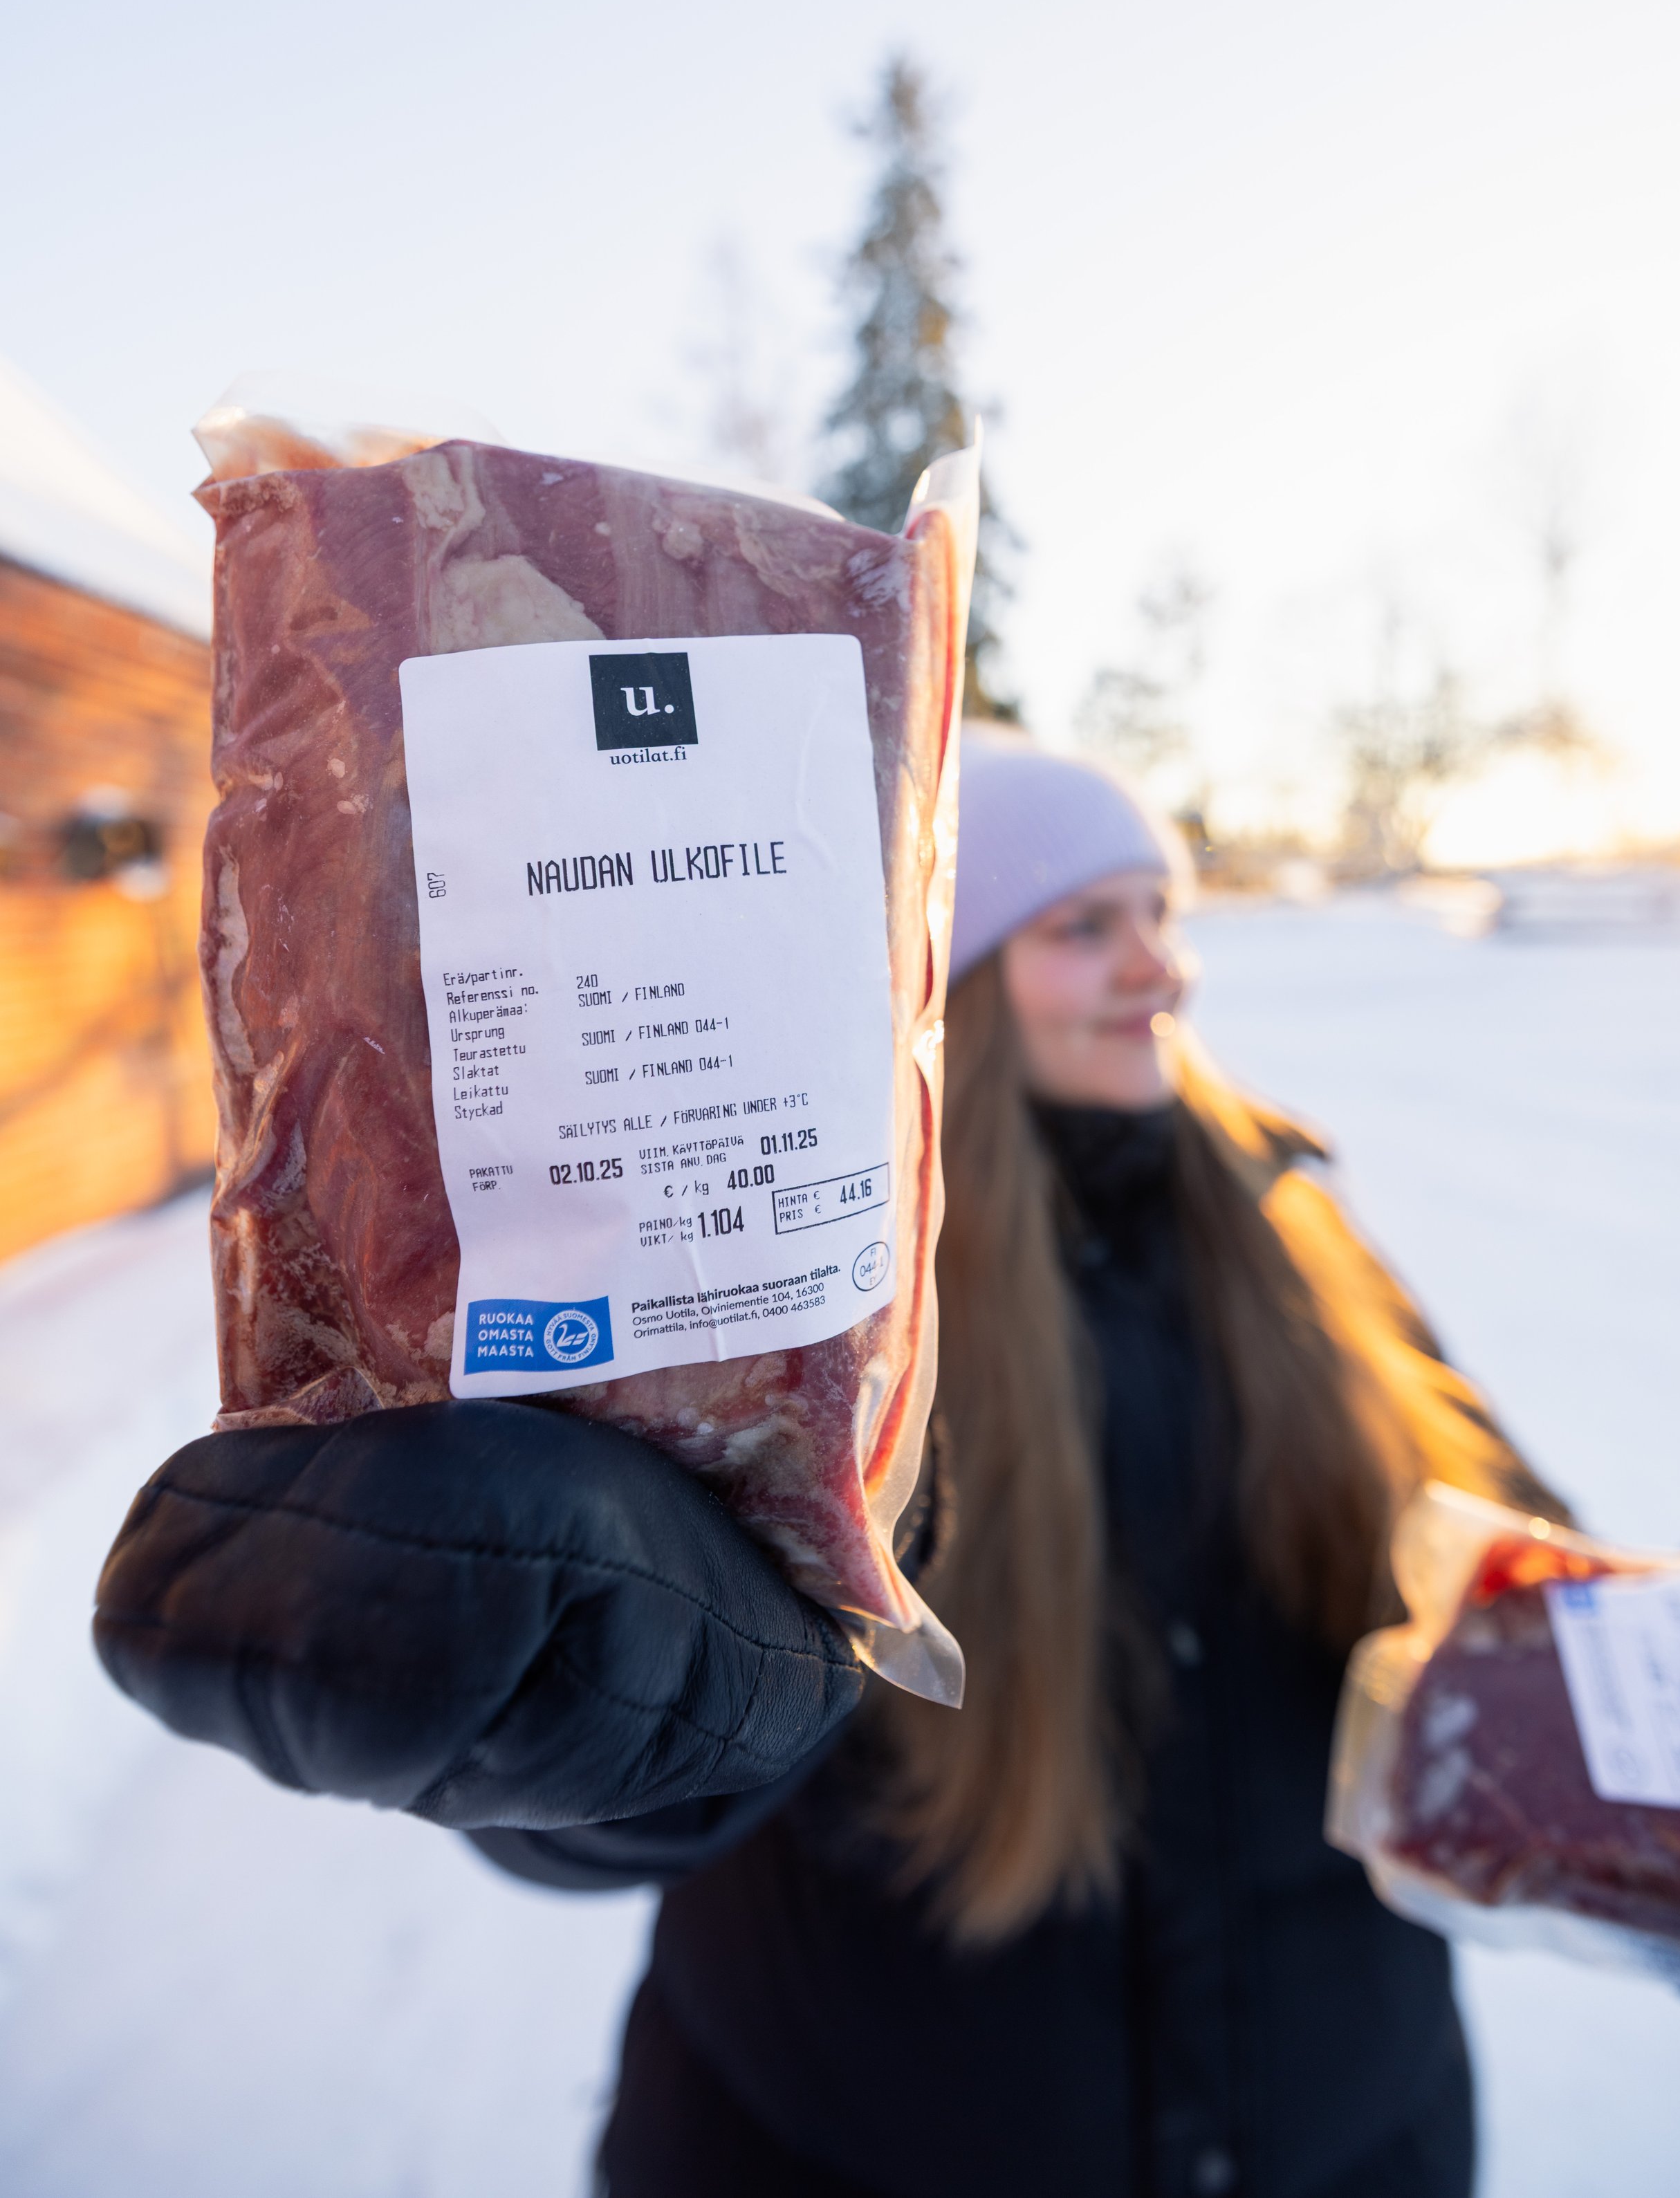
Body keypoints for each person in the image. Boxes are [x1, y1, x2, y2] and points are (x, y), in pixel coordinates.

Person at [98, 728, 1571, 2198]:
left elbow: (1509, 1569)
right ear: (944, 973)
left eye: (1160, 916)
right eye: (1082, 927)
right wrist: (545, 1669)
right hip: (846, 2142)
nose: (1158, 968)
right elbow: (650, 1755)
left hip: (1353, 2139)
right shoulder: (807, 1307)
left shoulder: (1296, 1235)